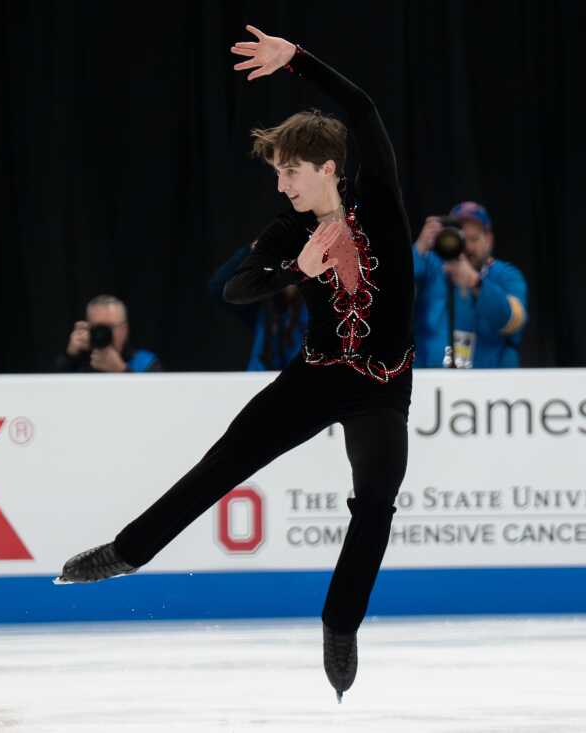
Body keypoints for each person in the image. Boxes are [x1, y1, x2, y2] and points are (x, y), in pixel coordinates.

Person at [55, 26, 415, 702]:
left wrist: (300, 61)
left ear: (328, 167)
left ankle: (340, 625)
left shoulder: (381, 205)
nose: (281, 186)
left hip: (382, 385)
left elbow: (362, 108)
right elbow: (235, 287)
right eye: (277, 174)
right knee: (223, 461)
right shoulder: (288, 231)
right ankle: (129, 551)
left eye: (290, 171)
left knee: (376, 500)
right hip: (316, 374)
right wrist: (293, 268)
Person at [412, 202, 527, 368]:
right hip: (430, 381)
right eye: (462, 239)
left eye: (474, 239)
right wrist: (419, 249)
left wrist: (475, 282)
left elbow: (513, 321)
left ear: (489, 239)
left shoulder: (507, 275)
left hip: (488, 387)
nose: (467, 247)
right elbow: (391, 295)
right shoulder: (432, 266)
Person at [208, 242, 308, 370]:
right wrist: (253, 249)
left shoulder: (321, 303)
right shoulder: (262, 303)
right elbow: (219, 288)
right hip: (258, 383)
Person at [54, 295, 161, 373]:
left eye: (110, 327)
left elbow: (156, 400)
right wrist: (69, 357)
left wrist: (122, 371)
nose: (103, 333)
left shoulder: (145, 362)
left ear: (124, 329)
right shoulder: (77, 362)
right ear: (88, 328)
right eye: (98, 328)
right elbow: (49, 394)